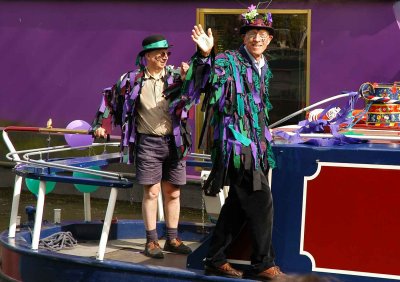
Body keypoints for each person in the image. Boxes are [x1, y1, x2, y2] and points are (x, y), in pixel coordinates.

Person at [169, 4, 285, 280]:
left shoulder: (263, 67)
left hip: (254, 145)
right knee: (261, 198)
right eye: (252, 33)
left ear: (269, 39)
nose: (257, 38)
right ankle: (263, 265)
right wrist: (205, 53)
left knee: (237, 203)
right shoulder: (228, 60)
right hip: (235, 144)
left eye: (262, 34)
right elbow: (205, 82)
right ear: (244, 37)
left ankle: (215, 258)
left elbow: (256, 108)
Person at [92, 34, 192, 259]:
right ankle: (152, 241)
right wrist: (101, 124)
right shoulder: (132, 79)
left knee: (173, 192)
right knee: (152, 192)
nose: (165, 56)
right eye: (160, 53)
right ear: (147, 55)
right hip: (148, 142)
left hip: (175, 142)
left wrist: (189, 79)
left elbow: (195, 92)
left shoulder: (178, 76)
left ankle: (173, 239)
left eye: (167, 53)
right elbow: (110, 98)